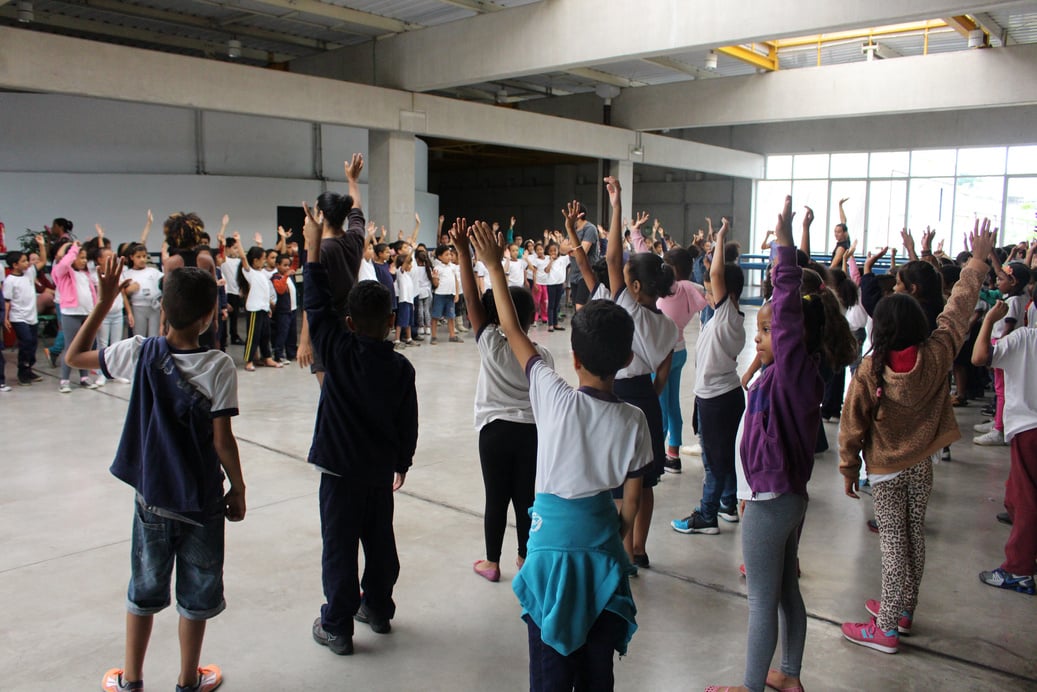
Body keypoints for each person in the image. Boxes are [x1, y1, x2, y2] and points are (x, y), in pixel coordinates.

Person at [468, 218, 650, 692]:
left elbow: (511, 330)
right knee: (597, 673)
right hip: (601, 556)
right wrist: (611, 537)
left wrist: (493, 266)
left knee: (548, 668)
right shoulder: (635, 421)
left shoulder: (552, 396)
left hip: (549, 554)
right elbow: (631, 503)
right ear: (626, 359)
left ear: (574, 358)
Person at [65, 255, 245, 692]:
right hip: (202, 502)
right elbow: (222, 441)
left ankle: (131, 680)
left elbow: (74, 356)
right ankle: (187, 680)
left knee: (144, 589)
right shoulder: (218, 365)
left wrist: (104, 303)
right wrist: (238, 488)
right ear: (208, 317)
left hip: (153, 500)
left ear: (163, 308)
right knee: (196, 595)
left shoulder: (139, 352)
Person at [838, 220, 996, 654]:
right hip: (921, 464)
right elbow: (958, 309)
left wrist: (849, 469)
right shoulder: (938, 353)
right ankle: (904, 608)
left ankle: (886, 628)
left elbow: (852, 425)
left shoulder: (871, 369)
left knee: (893, 545)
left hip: (886, 472)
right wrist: (977, 262)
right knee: (913, 538)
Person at [706, 195, 825, 692]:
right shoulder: (784, 375)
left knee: (761, 600)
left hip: (770, 501)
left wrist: (784, 246)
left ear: (793, 336)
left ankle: (751, 686)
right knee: (785, 592)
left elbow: (789, 317)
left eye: (767, 330)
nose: (759, 337)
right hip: (783, 498)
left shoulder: (794, 373)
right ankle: (789, 675)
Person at [302, 202, 417, 657]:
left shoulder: (336, 348)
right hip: (377, 474)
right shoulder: (401, 369)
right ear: (391, 321)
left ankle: (338, 625)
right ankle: (379, 609)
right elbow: (408, 422)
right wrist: (402, 462)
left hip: (338, 472)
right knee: (380, 542)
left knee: (339, 547)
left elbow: (315, 301)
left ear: (348, 322)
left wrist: (312, 246)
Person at [453, 220, 552, 583]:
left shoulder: (491, 344)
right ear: (531, 318)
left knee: (495, 498)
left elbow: (470, 299)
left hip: (494, 432)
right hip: (531, 432)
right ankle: (525, 557)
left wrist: (464, 254)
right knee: (527, 499)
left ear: (496, 315)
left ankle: (492, 563)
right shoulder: (541, 356)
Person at [600, 179, 678, 570]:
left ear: (633, 285)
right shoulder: (668, 326)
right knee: (645, 481)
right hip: (647, 400)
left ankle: (623, 551)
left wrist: (616, 206)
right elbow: (663, 375)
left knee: (620, 483)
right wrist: (650, 396)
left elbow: (612, 258)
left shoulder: (627, 307)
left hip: (620, 396)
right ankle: (640, 549)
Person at [673, 217, 746, 535]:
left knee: (714, 461)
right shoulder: (723, 317)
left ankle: (707, 515)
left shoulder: (727, 315)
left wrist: (719, 237)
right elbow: (714, 274)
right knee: (723, 454)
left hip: (717, 399)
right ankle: (727, 504)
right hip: (718, 395)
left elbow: (716, 273)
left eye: (711, 289)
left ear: (726, 291)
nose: (707, 292)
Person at [973, 299, 1037, 595]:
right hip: (1027, 429)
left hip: (1029, 428)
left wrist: (989, 320)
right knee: (1016, 494)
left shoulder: (1025, 338)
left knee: (1027, 501)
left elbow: (980, 357)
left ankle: (1018, 570)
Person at [296, 153, 367, 386]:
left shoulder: (321, 252)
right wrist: (353, 181)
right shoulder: (355, 239)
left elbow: (312, 299)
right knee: (349, 387)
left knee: (331, 393)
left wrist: (304, 341)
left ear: (320, 215)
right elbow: (357, 212)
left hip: (327, 329)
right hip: (352, 325)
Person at [656, 247, 709, 471]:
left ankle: (657, 456)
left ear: (673, 269)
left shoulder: (671, 289)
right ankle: (673, 454)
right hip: (679, 351)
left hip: (661, 356)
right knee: (672, 405)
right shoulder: (693, 288)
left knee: (660, 408)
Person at [975, 256, 1032, 447]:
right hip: (1003, 345)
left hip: (1002, 346)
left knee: (1001, 390)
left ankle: (999, 429)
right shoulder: (1017, 297)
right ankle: (998, 421)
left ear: (1013, 281)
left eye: (1001, 279)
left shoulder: (1014, 301)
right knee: (1001, 389)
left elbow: (1008, 326)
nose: (998, 282)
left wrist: (997, 350)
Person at [52, 240, 99, 392]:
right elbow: (64, 265)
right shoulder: (63, 273)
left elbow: (92, 294)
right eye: (81, 257)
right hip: (71, 314)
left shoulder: (85, 275)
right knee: (70, 346)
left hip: (87, 314)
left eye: (85, 258)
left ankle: (84, 377)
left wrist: (95, 311)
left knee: (85, 347)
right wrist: (73, 250)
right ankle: (64, 379)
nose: (84, 261)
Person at [3, 236, 47, 386]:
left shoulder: (29, 273)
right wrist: (5, 318)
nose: (27, 263)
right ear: (15, 265)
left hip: (32, 316)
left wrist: (41, 245)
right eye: (23, 261)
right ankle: (22, 371)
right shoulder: (10, 281)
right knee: (26, 341)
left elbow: (42, 261)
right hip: (18, 317)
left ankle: (29, 369)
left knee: (33, 343)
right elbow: (7, 301)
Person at [239, 245, 281, 371]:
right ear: (255, 260)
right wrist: (239, 241)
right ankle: (249, 360)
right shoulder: (249, 272)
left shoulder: (261, 273)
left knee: (265, 335)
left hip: (263, 308)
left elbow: (264, 291)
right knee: (253, 335)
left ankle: (267, 357)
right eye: (263, 259)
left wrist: (268, 307)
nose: (265, 261)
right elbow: (243, 257)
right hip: (254, 309)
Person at [123, 243, 163, 338]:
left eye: (144, 256)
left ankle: (153, 348)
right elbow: (122, 294)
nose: (142, 259)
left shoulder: (153, 272)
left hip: (154, 307)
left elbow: (163, 284)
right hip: (138, 307)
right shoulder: (127, 274)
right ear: (132, 257)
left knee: (154, 335)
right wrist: (128, 290)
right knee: (139, 336)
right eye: (138, 257)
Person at [430, 243, 462, 344]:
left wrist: (456, 293)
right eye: (446, 255)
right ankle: (433, 336)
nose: (449, 257)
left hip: (450, 295)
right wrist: (435, 278)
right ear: (440, 257)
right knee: (436, 316)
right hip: (440, 295)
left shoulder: (453, 267)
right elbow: (435, 284)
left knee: (451, 316)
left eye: (450, 254)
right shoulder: (437, 268)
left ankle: (452, 335)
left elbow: (456, 281)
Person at [271, 253, 298, 363]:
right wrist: (286, 276)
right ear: (277, 265)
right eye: (284, 265)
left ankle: (291, 353)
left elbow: (295, 265)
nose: (287, 268)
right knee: (282, 333)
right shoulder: (276, 277)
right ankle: (279, 354)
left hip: (292, 309)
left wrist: (295, 254)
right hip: (283, 310)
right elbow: (280, 290)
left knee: (292, 333)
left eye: (288, 265)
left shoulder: (289, 275)